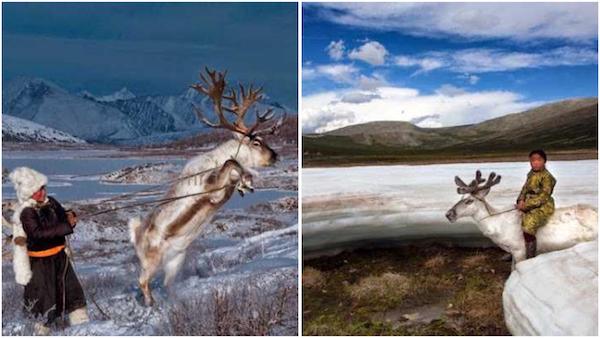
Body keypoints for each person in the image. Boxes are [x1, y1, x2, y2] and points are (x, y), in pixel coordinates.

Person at [8, 167, 88, 335]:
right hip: (40, 265)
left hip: (60, 259)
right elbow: (37, 234)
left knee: (73, 296)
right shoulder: (26, 212)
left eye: (42, 188)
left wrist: (69, 215)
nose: (42, 193)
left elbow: (61, 216)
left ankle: (84, 330)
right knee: (44, 303)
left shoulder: (51, 202)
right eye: (37, 191)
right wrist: (67, 226)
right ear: (28, 193)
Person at [516, 150, 557, 259]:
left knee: (529, 224)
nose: (535, 163)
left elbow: (544, 196)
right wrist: (521, 200)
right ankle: (518, 249)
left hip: (543, 205)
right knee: (515, 219)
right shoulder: (531, 174)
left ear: (544, 161)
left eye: (539, 160)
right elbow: (524, 189)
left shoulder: (547, 177)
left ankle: (530, 257)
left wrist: (526, 205)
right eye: (532, 160)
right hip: (528, 202)